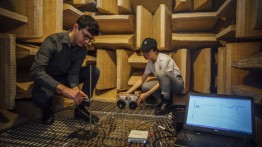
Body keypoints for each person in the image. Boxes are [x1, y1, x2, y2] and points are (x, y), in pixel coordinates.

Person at [30, 15, 100, 125]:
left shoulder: (83, 49)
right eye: (85, 36)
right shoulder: (52, 41)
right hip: (46, 80)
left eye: (90, 39)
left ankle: (80, 110)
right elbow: (35, 71)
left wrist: (75, 90)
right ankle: (48, 110)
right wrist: (65, 90)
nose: (86, 41)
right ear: (76, 27)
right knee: (41, 99)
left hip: (64, 78)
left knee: (93, 71)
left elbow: (74, 72)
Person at [120, 38, 184, 115]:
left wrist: (147, 94)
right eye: (143, 51)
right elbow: (141, 80)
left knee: (161, 73)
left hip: (177, 84)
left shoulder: (164, 59)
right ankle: (162, 100)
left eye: (147, 51)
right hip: (165, 84)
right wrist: (128, 92)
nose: (144, 54)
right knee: (145, 87)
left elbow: (162, 80)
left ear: (155, 50)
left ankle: (166, 102)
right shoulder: (150, 63)